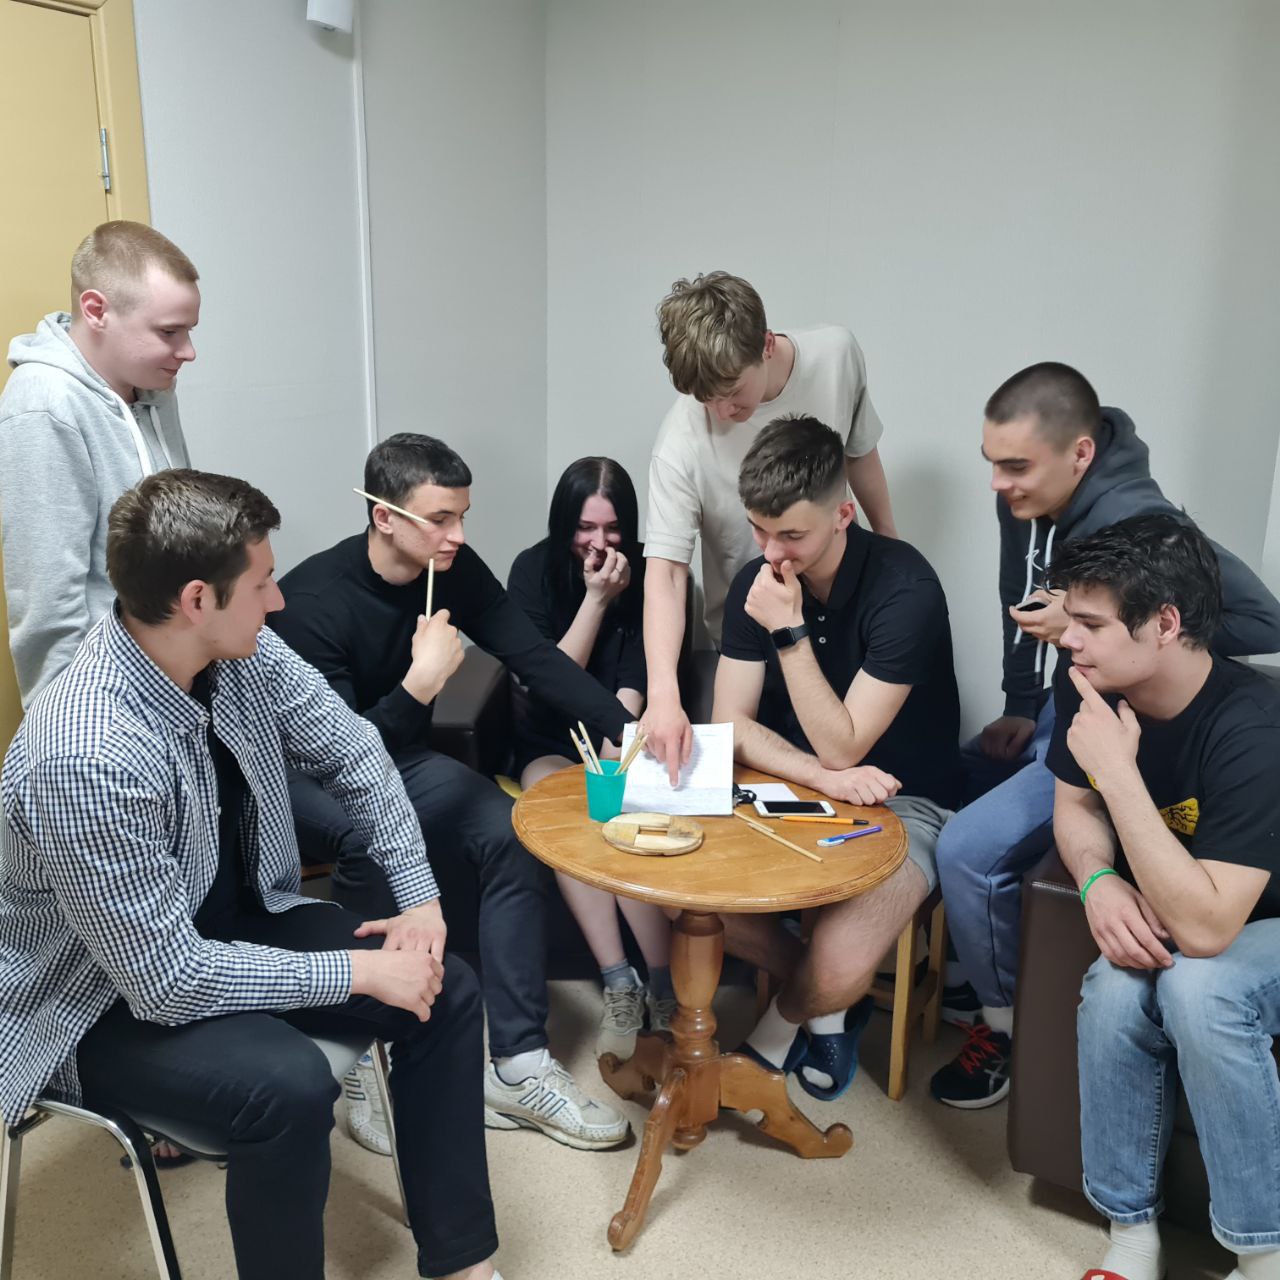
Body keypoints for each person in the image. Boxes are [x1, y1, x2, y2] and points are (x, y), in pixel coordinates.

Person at [0, 470, 502, 1280]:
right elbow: (165, 982)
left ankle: (462, 1261)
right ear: (197, 599)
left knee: (443, 985)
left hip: (228, 920)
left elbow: (356, 752)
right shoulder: (87, 753)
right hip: (92, 995)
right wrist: (357, 971)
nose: (278, 600)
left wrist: (419, 899)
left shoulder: (242, 652)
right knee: (286, 1087)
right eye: (263, 582)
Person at [930, 362, 1280, 1110]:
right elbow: (1019, 599)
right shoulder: (1023, 494)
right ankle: (973, 975)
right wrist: (1022, 700)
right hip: (1067, 698)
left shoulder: (1138, 520)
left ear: (1080, 454)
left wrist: (1108, 638)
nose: (998, 483)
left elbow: (1263, 621)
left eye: (1015, 466)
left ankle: (1005, 1030)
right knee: (951, 776)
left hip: (1120, 715)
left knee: (967, 847)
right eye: (992, 463)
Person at [271, 434, 633, 1153]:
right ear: (384, 517)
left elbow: (534, 658)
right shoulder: (314, 602)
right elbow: (343, 757)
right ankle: (366, 1060)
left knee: (510, 830)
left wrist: (635, 731)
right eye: (440, 519)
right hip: (305, 775)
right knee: (368, 835)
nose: (458, 535)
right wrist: (420, 684)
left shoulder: (452, 569)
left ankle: (519, 1064)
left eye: (462, 516)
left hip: (398, 757)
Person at [1045, 514, 1280, 1280]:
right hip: (1190, 904)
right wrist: (1097, 880)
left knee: (1200, 990)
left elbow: (1208, 928)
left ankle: (1263, 1255)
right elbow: (1073, 806)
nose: (1068, 639)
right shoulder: (1089, 681)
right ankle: (1131, 1237)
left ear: (1166, 624)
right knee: (1114, 989)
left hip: (1259, 919)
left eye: (1090, 624)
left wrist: (1119, 773)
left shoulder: (1253, 726)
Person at [711, 416, 959, 1097]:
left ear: (844, 515)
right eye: (759, 530)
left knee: (843, 954)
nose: (773, 553)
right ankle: (827, 1002)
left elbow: (845, 744)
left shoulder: (906, 587)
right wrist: (818, 776)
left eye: (791, 535)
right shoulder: (757, 580)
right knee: (682, 901)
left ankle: (771, 1038)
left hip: (907, 798)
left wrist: (787, 630)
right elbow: (728, 723)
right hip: (792, 783)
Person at [640, 270, 898, 785]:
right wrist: (663, 694)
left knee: (852, 770)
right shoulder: (680, 441)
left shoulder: (836, 355)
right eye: (706, 399)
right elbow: (666, 572)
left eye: (733, 392)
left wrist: (892, 552)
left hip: (841, 616)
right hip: (748, 637)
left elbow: (859, 453)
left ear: (766, 344)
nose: (722, 411)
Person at [507, 456, 674, 1059]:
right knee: (565, 815)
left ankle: (665, 983)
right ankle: (618, 981)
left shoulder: (652, 569)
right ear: (564, 525)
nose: (599, 543)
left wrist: (616, 737)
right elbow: (547, 682)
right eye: (585, 528)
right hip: (550, 738)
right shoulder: (532, 571)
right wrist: (597, 600)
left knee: (619, 807)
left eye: (612, 529)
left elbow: (640, 673)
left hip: (621, 727)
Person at [0, 220, 197, 703]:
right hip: (105, 698)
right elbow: (47, 601)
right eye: (169, 332)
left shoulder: (151, 387)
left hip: (176, 673)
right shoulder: (44, 404)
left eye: (188, 331)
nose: (188, 352)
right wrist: (68, 723)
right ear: (96, 311)